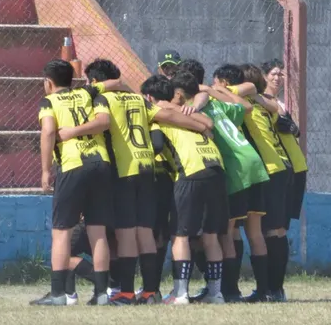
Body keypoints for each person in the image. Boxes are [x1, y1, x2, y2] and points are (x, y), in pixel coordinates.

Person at [59, 59, 213, 305]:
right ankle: (151, 291)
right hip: (147, 169)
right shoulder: (139, 100)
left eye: (90, 81)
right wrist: (201, 125)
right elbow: (167, 115)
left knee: (126, 234)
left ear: (96, 82)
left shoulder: (102, 100)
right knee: (145, 232)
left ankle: (126, 293)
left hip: (124, 170)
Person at [32, 59, 113, 307]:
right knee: (97, 231)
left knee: (61, 232)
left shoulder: (49, 101)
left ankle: (59, 294)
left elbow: (48, 132)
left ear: (48, 82)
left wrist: (46, 170)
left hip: (72, 165)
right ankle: (101, 294)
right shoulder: (88, 94)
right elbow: (106, 115)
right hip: (101, 163)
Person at [141, 73, 223, 305]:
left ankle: (180, 293)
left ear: (149, 97)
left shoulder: (158, 118)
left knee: (180, 235)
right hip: (215, 168)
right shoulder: (189, 113)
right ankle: (215, 293)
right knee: (210, 234)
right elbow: (208, 124)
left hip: (190, 171)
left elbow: (156, 145)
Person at [207, 63, 272, 301]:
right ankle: (264, 291)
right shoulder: (227, 105)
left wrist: (211, 91)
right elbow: (246, 107)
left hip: (236, 169)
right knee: (254, 232)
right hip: (255, 163)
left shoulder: (207, 105)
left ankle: (230, 291)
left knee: (227, 231)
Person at [232, 63, 292, 302]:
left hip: (270, 168)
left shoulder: (247, 105)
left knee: (271, 230)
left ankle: (270, 289)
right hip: (281, 166)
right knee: (274, 230)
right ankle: (272, 289)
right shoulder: (265, 103)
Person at [263, 59, 309, 232]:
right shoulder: (262, 101)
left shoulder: (280, 104)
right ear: (264, 77)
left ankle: (278, 258)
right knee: (272, 225)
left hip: (295, 165)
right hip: (279, 165)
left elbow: (295, 132)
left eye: (281, 74)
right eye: (274, 74)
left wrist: (293, 128)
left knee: (282, 225)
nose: (278, 77)